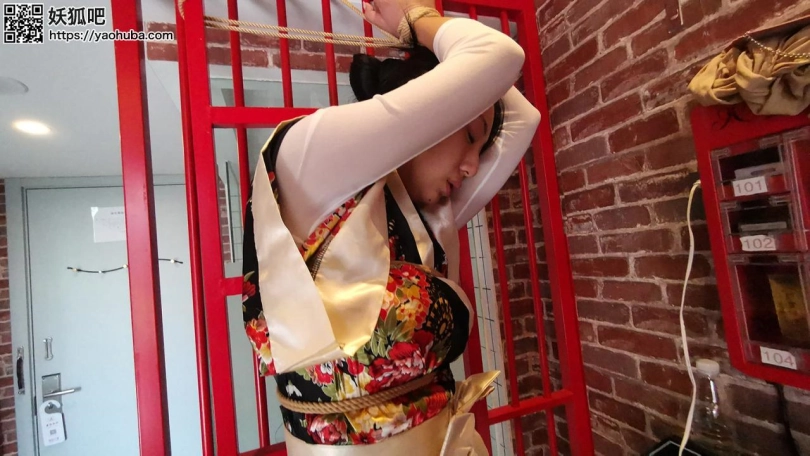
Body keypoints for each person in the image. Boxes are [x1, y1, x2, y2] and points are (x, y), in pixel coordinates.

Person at [241, 0, 542, 454]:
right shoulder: (310, 161)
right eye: (469, 137)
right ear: (423, 112)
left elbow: (522, 116)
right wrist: (416, 17)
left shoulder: (426, 216)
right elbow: (499, 58)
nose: (471, 167)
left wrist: (414, 30)